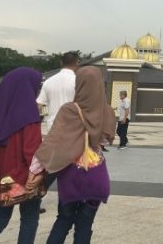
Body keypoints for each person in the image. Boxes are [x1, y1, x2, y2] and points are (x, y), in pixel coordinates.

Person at [33, 66, 116, 244]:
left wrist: (37, 167)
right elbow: (106, 140)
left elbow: (55, 142)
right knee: (85, 223)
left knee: (64, 219)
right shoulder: (107, 111)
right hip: (96, 174)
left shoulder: (69, 110)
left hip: (71, 174)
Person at [0, 67, 45, 244]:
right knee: (29, 219)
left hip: (1, 177)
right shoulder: (29, 117)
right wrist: (40, 174)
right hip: (24, 178)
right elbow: (32, 152)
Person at [36, 51, 79, 132]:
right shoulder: (78, 81)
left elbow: (39, 105)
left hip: (52, 126)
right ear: (77, 63)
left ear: (61, 62)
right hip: (73, 127)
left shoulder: (48, 81)